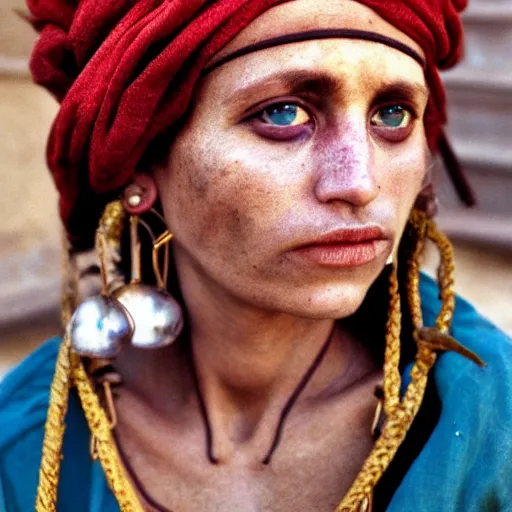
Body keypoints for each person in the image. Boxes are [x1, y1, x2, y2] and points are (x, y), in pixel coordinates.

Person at [0, 0, 511, 510]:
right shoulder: (29, 440)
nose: (360, 182)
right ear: (140, 162)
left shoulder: (489, 420)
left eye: (393, 115)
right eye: (283, 113)